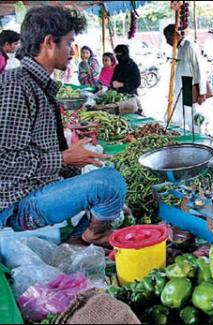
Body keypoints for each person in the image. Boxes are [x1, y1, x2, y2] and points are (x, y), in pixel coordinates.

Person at [0, 6, 126, 246]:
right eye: (69, 43)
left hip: (36, 187)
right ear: (49, 43)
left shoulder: (36, 84)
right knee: (109, 183)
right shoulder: (16, 86)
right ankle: (91, 237)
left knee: (107, 195)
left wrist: (71, 165)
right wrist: (64, 159)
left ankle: (79, 242)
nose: (72, 52)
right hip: (15, 203)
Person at [163, 24, 208, 129]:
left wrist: (202, 93)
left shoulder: (189, 45)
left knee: (191, 117)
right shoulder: (180, 48)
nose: (167, 41)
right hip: (180, 86)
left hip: (188, 85)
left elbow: (200, 68)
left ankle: (197, 137)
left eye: (167, 38)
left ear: (174, 35)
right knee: (177, 115)